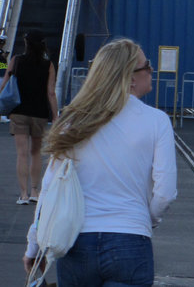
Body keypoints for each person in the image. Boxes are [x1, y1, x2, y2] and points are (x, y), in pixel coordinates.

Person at [22, 38, 177, 285]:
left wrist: (34, 245)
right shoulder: (156, 121)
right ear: (131, 77)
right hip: (130, 243)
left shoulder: (74, 120)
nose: (151, 71)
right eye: (147, 66)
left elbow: (50, 188)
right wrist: (145, 220)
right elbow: (165, 193)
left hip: (77, 241)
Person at [1, 30, 58, 205]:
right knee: (35, 153)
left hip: (18, 112)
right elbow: (51, 93)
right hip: (39, 114)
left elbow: (4, 85)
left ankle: (23, 194)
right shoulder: (48, 65)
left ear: (26, 44)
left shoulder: (16, 60)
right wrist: (55, 116)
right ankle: (35, 191)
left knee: (22, 154)